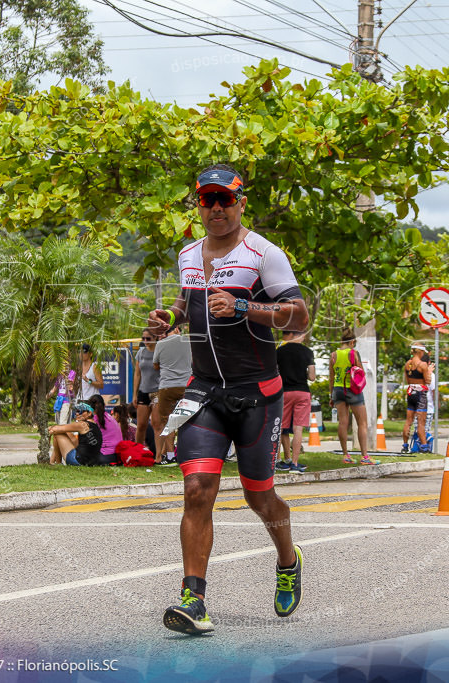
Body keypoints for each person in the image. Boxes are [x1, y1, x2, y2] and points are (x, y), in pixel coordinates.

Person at [147, 163, 309, 635]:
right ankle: (193, 601)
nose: (216, 208)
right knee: (197, 491)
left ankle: (287, 558)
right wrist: (170, 318)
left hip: (258, 394)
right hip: (203, 391)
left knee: (261, 499)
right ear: (198, 205)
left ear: (241, 202)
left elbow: (298, 318)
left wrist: (244, 307)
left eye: (225, 199)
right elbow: (187, 299)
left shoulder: (264, 254)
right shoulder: (188, 254)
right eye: (207, 200)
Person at [329, 330, 377, 465]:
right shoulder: (354, 354)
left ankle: (345, 455)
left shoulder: (333, 355)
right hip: (352, 390)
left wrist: (331, 395)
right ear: (351, 342)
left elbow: (331, 378)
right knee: (362, 423)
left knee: (342, 422)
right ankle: (365, 457)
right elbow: (360, 371)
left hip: (338, 390)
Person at [275, 330, 315, 474]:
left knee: (279, 427)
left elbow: (274, 372)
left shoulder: (280, 351)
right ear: (298, 335)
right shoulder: (307, 352)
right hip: (302, 392)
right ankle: (295, 463)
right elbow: (312, 377)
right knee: (298, 429)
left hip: (284, 392)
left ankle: (277, 460)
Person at [152, 324, 192, 464]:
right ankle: (186, 455)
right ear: (176, 329)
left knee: (165, 423)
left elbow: (156, 365)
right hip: (186, 386)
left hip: (167, 387)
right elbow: (193, 362)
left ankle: (164, 456)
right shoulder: (188, 342)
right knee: (187, 421)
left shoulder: (160, 344)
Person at [132, 329, 160, 451]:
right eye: (143, 338)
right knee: (141, 424)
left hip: (157, 391)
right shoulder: (141, 352)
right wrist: (134, 394)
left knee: (156, 424)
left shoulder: (161, 351)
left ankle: (158, 454)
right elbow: (137, 374)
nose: (145, 341)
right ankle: (137, 451)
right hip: (143, 391)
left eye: (148, 338)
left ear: (155, 338)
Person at [401, 342, 432, 454]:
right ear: (420, 352)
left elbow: (408, 380)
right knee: (421, 422)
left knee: (408, 421)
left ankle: (405, 445)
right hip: (420, 394)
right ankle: (424, 447)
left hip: (411, 392)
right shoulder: (422, 365)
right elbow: (428, 381)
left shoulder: (407, 364)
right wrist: (430, 371)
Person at [88, 393, 122, 464]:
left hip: (104, 456)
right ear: (104, 405)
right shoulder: (109, 418)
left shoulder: (94, 420)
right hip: (117, 456)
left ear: (89, 409)